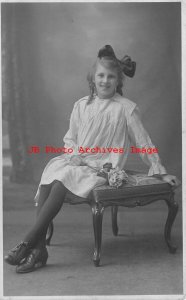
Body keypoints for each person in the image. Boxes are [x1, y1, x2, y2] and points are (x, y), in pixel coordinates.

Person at [4, 45, 179, 273]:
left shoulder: (126, 108)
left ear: (118, 81)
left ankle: (27, 244)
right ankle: (38, 250)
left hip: (103, 166)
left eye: (111, 76)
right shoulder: (81, 105)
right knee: (52, 175)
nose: (105, 81)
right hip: (79, 161)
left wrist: (159, 170)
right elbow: (70, 138)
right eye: (101, 75)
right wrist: (74, 154)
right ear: (93, 78)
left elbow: (143, 142)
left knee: (62, 178)